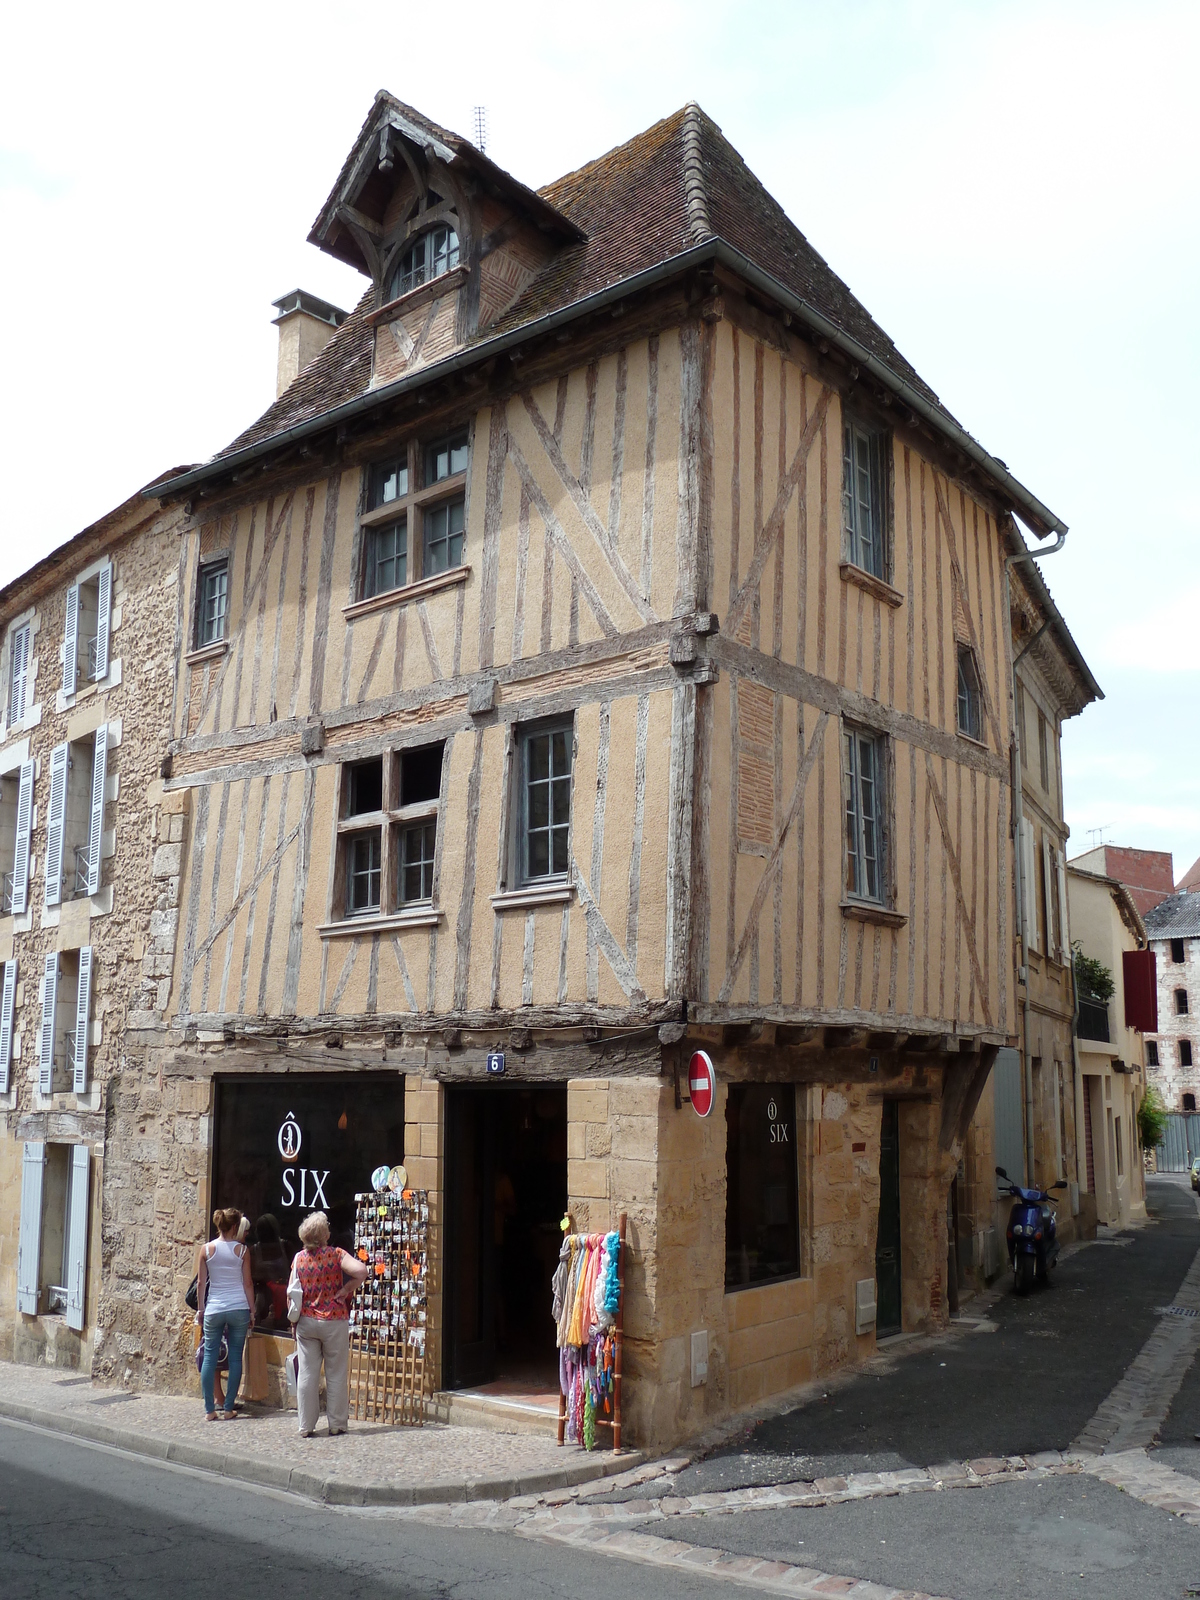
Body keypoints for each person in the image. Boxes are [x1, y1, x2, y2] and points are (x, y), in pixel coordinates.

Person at [288, 1210, 369, 1437]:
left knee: (307, 1373)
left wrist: (293, 1322)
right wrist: (345, 1290)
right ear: (323, 1234)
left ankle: (306, 1425)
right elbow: (361, 1271)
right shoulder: (336, 1254)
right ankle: (337, 1423)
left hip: (306, 1320)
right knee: (335, 1373)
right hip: (334, 1319)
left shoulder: (298, 1258)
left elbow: (292, 1293)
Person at [195, 1207, 254, 1421]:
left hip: (214, 1308)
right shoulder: (242, 1251)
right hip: (238, 1306)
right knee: (236, 1357)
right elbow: (247, 1283)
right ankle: (228, 1408)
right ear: (235, 1227)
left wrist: (201, 1309)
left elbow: (201, 1283)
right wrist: (253, 1309)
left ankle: (210, 1410)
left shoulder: (206, 1250)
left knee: (209, 1356)